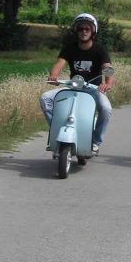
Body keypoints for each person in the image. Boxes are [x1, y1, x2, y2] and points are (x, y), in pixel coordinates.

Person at [39, 13, 114, 155]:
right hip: (72, 86)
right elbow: (59, 64)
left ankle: (96, 142)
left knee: (106, 108)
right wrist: (53, 76)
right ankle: (57, 129)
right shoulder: (70, 48)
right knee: (45, 98)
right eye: (80, 29)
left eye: (87, 29)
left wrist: (108, 83)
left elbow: (107, 69)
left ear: (93, 31)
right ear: (76, 31)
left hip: (93, 89)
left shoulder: (99, 50)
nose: (84, 31)